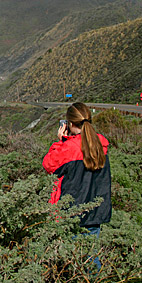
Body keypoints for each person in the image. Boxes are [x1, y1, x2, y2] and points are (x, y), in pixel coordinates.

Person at [42, 102, 112, 240]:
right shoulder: (100, 144)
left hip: (72, 212)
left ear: (70, 124)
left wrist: (60, 142)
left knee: (71, 255)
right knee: (89, 255)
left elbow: (48, 165)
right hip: (94, 213)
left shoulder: (69, 147)